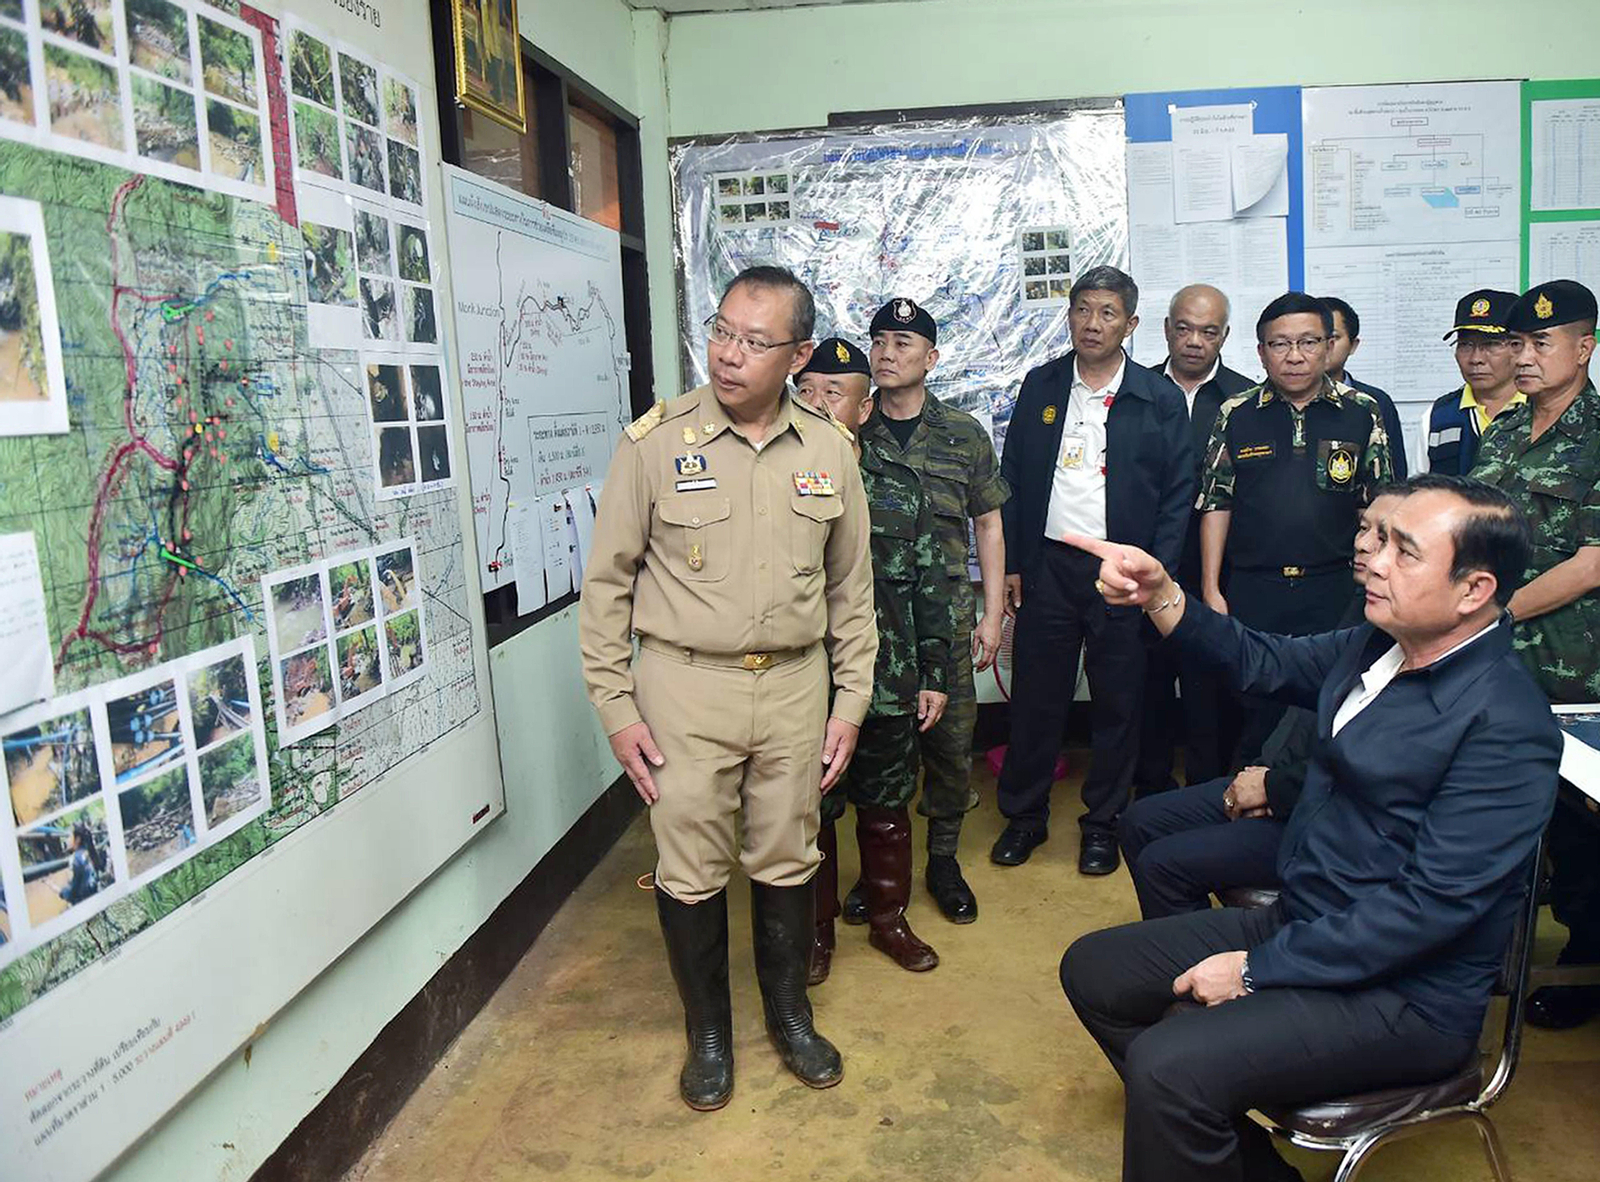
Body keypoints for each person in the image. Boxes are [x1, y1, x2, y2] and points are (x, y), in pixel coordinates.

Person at [1060, 473, 1560, 1182]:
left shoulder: (1505, 724)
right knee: (1095, 971)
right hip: (1309, 924)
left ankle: (1190, 1113)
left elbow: (1429, 909)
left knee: (1169, 1065)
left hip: (1403, 997)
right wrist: (1162, 592)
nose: (1374, 561)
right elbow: (1259, 660)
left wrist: (1255, 970)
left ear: (1473, 590)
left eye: (1404, 552)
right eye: (1379, 541)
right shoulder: (1378, 646)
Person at [579, 265, 877, 1109]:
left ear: (798, 355)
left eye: (754, 341)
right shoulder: (654, 444)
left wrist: (850, 704)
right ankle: (708, 1033)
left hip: (794, 687)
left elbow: (852, 593)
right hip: (684, 688)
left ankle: (790, 1015)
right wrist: (616, 708)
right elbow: (606, 587)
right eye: (721, 332)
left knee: (789, 854)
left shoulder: (829, 450)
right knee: (690, 865)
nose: (729, 354)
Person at [992, 266, 1194, 875]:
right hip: (1050, 566)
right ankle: (1024, 817)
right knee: (1037, 699)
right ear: (1069, 315)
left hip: (1123, 571)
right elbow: (1013, 475)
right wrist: (1015, 562)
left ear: (1130, 325)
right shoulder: (1043, 384)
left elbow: (1178, 494)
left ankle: (1103, 824)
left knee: (1118, 703)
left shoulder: (1157, 398)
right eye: (1082, 309)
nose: (1092, 323)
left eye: (1107, 313)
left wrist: (1155, 576)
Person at [1118, 490, 1401, 919]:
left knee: (1162, 864)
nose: (1362, 544)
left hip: (1340, 825)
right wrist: (1160, 594)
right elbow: (1265, 662)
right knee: (1139, 822)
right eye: (1363, 529)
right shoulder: (1369, 625)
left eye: (1386, 538)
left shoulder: (1451, 671)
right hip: (1300, 787)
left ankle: (1229, 958)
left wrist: (1274, 788)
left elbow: (1373, 773)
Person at [795, 338, 950, 982]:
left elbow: (930, 585)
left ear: (864, 409)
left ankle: (889, 921)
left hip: (888, 681)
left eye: (834, 394)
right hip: (804, 684)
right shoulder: (776, 480)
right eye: (806, 392)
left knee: (887, 808)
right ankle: (816, 931)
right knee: (811, 812)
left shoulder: (899, 485)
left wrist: (934, 674)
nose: (818, 404)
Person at [1470, 278, 1600, 1030]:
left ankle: (1586, 961)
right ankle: (1488, 950)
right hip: (1494, 667)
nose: (1522, 356)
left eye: (1539, 342)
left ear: (1583, 348)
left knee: (1577, 830)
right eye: (1516, 342)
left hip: (1570, 668)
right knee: (1492, 814)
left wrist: (1495, 612)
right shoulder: (1504, 430)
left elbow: (1591, 563)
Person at [853, 297, 1008, 924]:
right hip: (871, 620)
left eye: (903, 344)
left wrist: (991, 615)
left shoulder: (962, 433)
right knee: (873, 746)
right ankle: (877, 867)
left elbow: (988, 524)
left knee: (950, 745)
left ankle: (943, 860)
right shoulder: (850, 429)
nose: (887, 354)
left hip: (945, 618)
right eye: (879, 342)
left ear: (931, 358)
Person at [1199, 292, 1393, 758]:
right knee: (1251, 711)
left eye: (1308, 342)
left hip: (1335, 588)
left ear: (1328, 346)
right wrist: (1211, 588)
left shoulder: (1362, 410)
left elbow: (1380, 504)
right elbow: (1216, 502)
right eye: (1280, 344)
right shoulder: (1236, 412)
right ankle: (1245, 794)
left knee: (1328, 710)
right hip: (1254, 588)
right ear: (1261, 351)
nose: (1295, 355)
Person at [1136, 284, 1257, 794]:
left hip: (1219, 567)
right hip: (1147, 562)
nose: (1193, 341)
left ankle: (1210, 788)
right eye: (1183, 328)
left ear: (1224, 336)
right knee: (1148, 681)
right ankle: (1151, 788)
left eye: (1208, 332)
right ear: (1166, 329)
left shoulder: (1246, 399)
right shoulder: (1136, 391)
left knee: (1212, 682)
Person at [1418, 289, 1523, 473]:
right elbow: (1417, 488)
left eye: (1491, 344)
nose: (1476, 359)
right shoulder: (1437, 417)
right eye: (1465, 345)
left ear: (1519, 347)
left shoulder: (1542, 409)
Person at [1320, 295, 1408, 479]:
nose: (1325, 346)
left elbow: (1396, 475)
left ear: (1353, 345)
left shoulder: (1375, 402)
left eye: (1333, 337)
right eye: (1314, 338)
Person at [60, 821, 106, 905]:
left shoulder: (76, 859)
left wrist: (62, 892)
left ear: (77, 839)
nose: (67, 840)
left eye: (69, 836)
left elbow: (72, 893)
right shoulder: (89, 852)